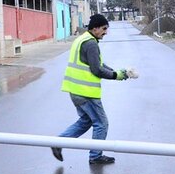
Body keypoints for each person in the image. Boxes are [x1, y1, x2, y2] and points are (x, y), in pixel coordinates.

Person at [52, 13, 129, 165]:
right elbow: (97, 70)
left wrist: (117, 72)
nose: (106, 32)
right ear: (95, 29)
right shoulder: (91, 43)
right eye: (104, 29)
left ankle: (58, 142)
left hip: (76, 91)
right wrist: (116, 76)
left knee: (86, 121)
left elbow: (98, 64)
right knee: (101, 123)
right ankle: (95, 156)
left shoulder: (83, 38)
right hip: (86, 92)